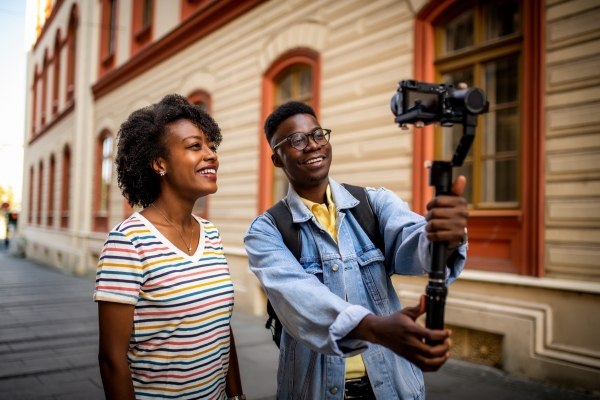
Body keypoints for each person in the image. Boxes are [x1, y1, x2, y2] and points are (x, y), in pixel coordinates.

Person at [244, 101, 469, 399]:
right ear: (277, 159)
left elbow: (416, 246)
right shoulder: (266, 231)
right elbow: (300, 298)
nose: (312, 146)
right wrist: (376, 329)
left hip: (393, 389)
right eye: (297, 140)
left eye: (318, 135)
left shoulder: (374, 204)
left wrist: (445, 236)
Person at [94, 94, 245, 400]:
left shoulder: (211, 234)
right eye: (195, 146)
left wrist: (237, 396)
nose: (211, 155)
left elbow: (220, 329)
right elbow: (111, 361)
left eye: (211, 147)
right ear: (159, 163)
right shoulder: (127, 242)